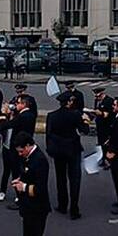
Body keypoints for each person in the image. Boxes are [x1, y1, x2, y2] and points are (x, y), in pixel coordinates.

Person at [3, 131, 72, 236]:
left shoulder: (39, 160)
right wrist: (20, 180)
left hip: (37, 208)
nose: (20, 154)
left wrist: (23, 187)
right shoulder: (30, 158)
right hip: (29, 207)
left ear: (28, 145)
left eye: (21, 151)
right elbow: (28, 174)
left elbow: (40, 188)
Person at [45, 92, 90, 220]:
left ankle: (62, 204)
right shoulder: (75, 114)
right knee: (74, 179)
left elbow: (48, 134)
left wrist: (51, 149)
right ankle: (74, 208)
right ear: (69, 102)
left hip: (59, 151)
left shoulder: (51, 116)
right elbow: (84, 130)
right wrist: (85, 120)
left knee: (61, 178)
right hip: (73, 149)